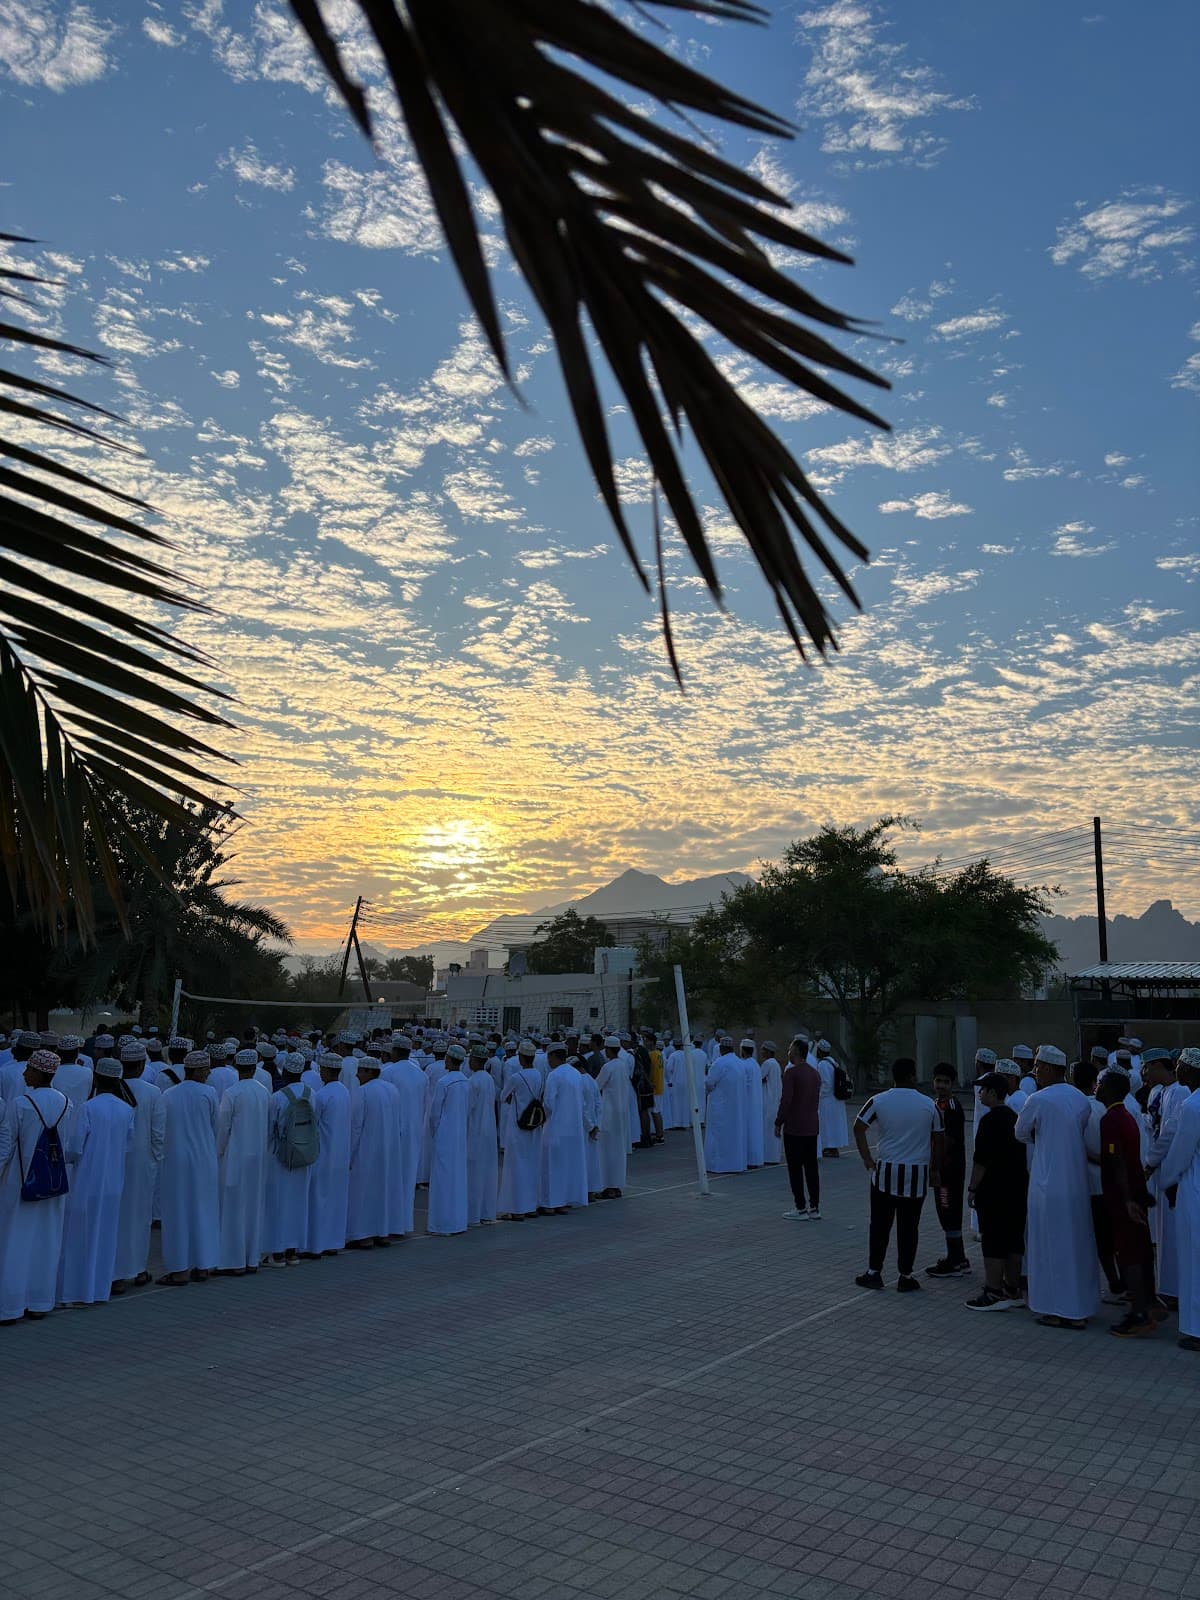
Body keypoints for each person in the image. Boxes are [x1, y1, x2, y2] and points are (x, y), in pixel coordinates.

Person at [1015, 1046, 1098, 1330]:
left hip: (1046, 1184)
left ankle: (1057, 1309)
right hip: (1075, 1183)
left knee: (1049, 1247)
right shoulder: (1081, 1099)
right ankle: (1079, 1308)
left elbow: (1020, 1132)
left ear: (1049, 1068)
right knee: (1076, 1245)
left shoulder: (1037, 1100)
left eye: (1038, 1067)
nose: (1035, 1072)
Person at [853, 1057, 944, 1293]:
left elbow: (858, 1126)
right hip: (916, 1174)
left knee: (880, 1225)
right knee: (909, 1227)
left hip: (885, 1172)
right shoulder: (928, 1105)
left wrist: (866, 1159)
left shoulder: (879, 1100)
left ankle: (874, 1272)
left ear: (893, 1076)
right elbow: (939, 1138)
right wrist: (934, 1169)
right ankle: (905, 1275)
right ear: (913, 1075)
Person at [57, 1058, 136, 1307]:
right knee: (105, 1236)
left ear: (96, 1079)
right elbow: (127, 1146)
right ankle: (98, 1290)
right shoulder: (127, 1110)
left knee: (80, 1236)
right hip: (113, 1183)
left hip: (86, 1182)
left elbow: (75, 1149)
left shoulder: (88, 1108)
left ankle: (75, 1292)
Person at [0, 1050, 71, 1323]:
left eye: (28, 1069)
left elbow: (5, 1147)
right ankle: (40, 1304)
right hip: (54, 1184)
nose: (23, 1073)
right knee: (47, 1242)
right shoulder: (67, 1103)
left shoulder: (20, 1104)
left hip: (20, 1185)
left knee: (15, 1244)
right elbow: (70, 1146)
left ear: (40, 1072)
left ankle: (10, 1308)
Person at [1096, 1069, 1158, 1338]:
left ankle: (1139, 1314)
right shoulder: (1127, 1116)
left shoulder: (1111, 1119)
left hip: (1125, 1198)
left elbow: (1116, 1159)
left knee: (1129, 1254)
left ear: (1108, 1088)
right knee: (1141, 1250)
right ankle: (1150, 1304)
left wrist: (1127, 1200)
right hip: (1133, 1193)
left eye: (1100, 1084)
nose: (1096, 1088)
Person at [963, 1072, 1028, 1310]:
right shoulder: (1014, 1117)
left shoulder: (989, 1121)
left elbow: (981, 1160)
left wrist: (972, 1189)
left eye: (983, 1090)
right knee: (1013, 1240)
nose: (979, 1094)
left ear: (992, 1092)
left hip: (994, 1190)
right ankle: (1013, 1289)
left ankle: (993, 1291)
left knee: (992, 1240)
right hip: (1017, 1189)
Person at [158, 1049, 220, 1287]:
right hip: (204, 1159)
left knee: (178, 1214)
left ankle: (179, 1269)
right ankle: (202, 1266)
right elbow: (215, 1125)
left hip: (175, 1161)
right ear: (199, 1070)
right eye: (206, 1069)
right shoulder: (209, 1093)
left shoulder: (169, 1095)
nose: (209, 1073)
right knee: (203, 1212)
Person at [112, 1040, 165, 1294]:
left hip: (115, 1162)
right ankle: (136, 1269)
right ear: (143, 1065)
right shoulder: (153, 1092)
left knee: (116, 1218)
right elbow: (158, 1135)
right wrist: (154, 1162)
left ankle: (115, 1274)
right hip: (142, 1165)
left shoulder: (110, 1089)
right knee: (139, 1218)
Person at [1073, 1056, 1126, 1304]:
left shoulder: (1080, 1107)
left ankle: (1115, 1284)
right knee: (1113, 1237)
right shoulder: (1108, 1107)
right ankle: (1121, 1284)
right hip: (1110, 1184)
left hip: (1090, 1184)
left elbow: (1081, 1148)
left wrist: (1100, 1160)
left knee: (1102, 1241)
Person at [214, 1048, 270, 1276]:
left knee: (233, 1208)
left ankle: (232, 1261)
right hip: (258, 1157)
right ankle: (251, 1258)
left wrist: (218, 1152)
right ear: (255, 1068)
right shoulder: (264, 1091)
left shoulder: (232, 1093)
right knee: (253, 1206)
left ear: (237, 1067)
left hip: (235, 1157)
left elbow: (223, 1128)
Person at [1160, 1048, 1200, 1353]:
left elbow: (1180, 1155)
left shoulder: (1192, 1105)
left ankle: (1196, 1329)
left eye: (1182, 1068)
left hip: (1194, 1189)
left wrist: (1167, 1181)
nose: (1178, 1073)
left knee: (1193, 1259)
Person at [1143, 1047, 1190, 1307]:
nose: (1145, 1073)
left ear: (1160, 1066)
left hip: (1174, 1170)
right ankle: (1169, 1288)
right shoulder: (1164, 1092)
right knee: (1165, 1232)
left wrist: (1150, 1162)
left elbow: (1169, 1133)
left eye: (1149, 1067)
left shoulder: (1181, 1092)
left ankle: (1174, 1291)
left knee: (1172, 1233)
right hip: (1165, 1167)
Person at [263, 1054, 317, 1267]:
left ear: (285, 1071)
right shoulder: (312, 1094)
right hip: (305, 1155)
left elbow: (270, 1129)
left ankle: (277, 1253)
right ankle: (293, 1251)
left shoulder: (278, 1097)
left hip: (281, 1156)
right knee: (299, 1202)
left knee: (279, 1203)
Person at [346, 1056, 396, 1248]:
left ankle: (363, 1235)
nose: (357, 1075)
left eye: (360, 1071)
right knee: (382, 1192)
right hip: (387, 1150)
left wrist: (349, 1154)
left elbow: (356, 1127)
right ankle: (382, 1232)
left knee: (362, 1193)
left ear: (369, 1072)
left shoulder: (362, 1092)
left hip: (366, 1151)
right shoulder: (391, 1090)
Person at [925, 1063, 969, 1278]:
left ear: (952, 1084)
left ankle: (954, 1260)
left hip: (948, 1171)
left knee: (947, 1210)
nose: (941, 1085)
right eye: (938, 1081)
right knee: (947, 1211)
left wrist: (935, 1167)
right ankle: (959, 1258)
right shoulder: (937, 1104)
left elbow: (947, 1142)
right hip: (945, 1169)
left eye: (946, 1082)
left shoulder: (951, 1107)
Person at [380, 1039, 424, 1239]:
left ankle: (390, 1224)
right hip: (414, 1132)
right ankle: (404, 1223)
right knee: (407, 1179)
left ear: (396, 1051)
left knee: (391, 1179)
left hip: (394, 1132)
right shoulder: (421, 1074)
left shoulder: (389, 1072)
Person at [776, 1039, 822, 1220]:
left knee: (795, 1168)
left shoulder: (791, 1073)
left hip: (795, 1128)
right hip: (811, 1126)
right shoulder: (814, 1074)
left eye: (789, 1048)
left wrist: (778, 1122)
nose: (788, 1051)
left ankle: (800, 1207)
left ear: (795, 1051)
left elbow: (786, 1101)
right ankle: (815, 1207)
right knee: (811, 1167)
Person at [497, 1043, 544, 1220]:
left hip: (518, 1126)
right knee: (531, 1165)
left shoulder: (517, 1077)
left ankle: (517, 1208)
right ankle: (531, 1206)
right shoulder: (539, 1074)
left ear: (522, 1058)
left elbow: (503, 1097)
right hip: (533, 1125)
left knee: (516, 1166)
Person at [540, 1043, 589, 1212]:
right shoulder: (576, 1074)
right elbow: (582, 1103)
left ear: (553, 1057)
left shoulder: (554, 1075)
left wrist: (542, 1119)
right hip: (573, 1129)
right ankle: (564, 1201)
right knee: (568, 1166)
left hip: (556, 1128)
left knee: (552, 1167)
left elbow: (548, 1103)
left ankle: (551, 1203)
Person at [428, 1043, 470, 1235]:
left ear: (450, 1059)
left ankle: (441, 1223)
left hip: (445, 1135)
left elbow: (434, 1114)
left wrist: (435, 1133)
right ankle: (457, 1221)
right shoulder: (465, 1081)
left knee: (442, 1179)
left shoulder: (444, 1082)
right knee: (457, 1178)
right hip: (460, 1135)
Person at [703, 1037, 747, 1175]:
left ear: (721, 1049)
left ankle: (718, 1165)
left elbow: (709, 1083)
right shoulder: (740, 1063)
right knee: (733, 1136)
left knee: (718, 1136)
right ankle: (734, 1165)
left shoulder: (720, 1062)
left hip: (721, 1107)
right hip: (736, 1108)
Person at [466, 1043, 498, 1226]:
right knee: (486, 1173)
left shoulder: (473, 1081)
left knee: (474, 1174)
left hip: (476, 1131)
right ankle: (486, 1212)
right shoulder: (488, 1079)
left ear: (477, 1061)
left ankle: (473, 1215)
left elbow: (469, 1108)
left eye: (471, 1059)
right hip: (488, 1131)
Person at [595, 1036, 630, 1199]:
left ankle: (608, 1186)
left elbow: (596, 1086)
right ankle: (617, 1185)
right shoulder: (623, 1065)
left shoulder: (608, 1067)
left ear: (608, 1050)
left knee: (607, 1150)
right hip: (621, 1114)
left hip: (608, 1114)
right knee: (618, 1150)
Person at [575, 1055, 603, 1199]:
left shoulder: (579, 1081)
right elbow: (599, 1104)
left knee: (584, 1160)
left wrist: (590, 1126)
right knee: (592, 1160)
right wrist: (596, 1125)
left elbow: (583, 1107)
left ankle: (585, 1191)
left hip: (584, 1127)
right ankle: (591, 1190)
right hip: (592, 1126)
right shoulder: (592, 1080)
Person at [815, 1040, 849, 1156]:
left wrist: (818, 1095)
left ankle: (829, 1148)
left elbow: (826, 1084)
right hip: (835, 1099)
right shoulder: (834, 1062)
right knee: (834, 1124)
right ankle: (832, 1148)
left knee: (827, 1124)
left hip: (827, 1100)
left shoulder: (822, 1064)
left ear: (819, 1051)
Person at [739, 1039, 765, 1168]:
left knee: (747, 1131)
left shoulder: (744, 1065)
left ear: (742, 1050)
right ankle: (755, 1159)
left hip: (747, 1104)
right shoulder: (755, 1064)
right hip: (755, 1105)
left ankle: (749, 1159)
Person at [759, 1043, 783, 1165]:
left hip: (768, 1102)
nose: (761, 1052)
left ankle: (767, 1157)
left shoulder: (768, 1064)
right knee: (773, 1130)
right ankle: (774, 1157)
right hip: (775, 1101)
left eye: (763, 1050)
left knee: (767, 1130)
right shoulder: (776, 1064)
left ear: (768, 1052)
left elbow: (758, 1078)